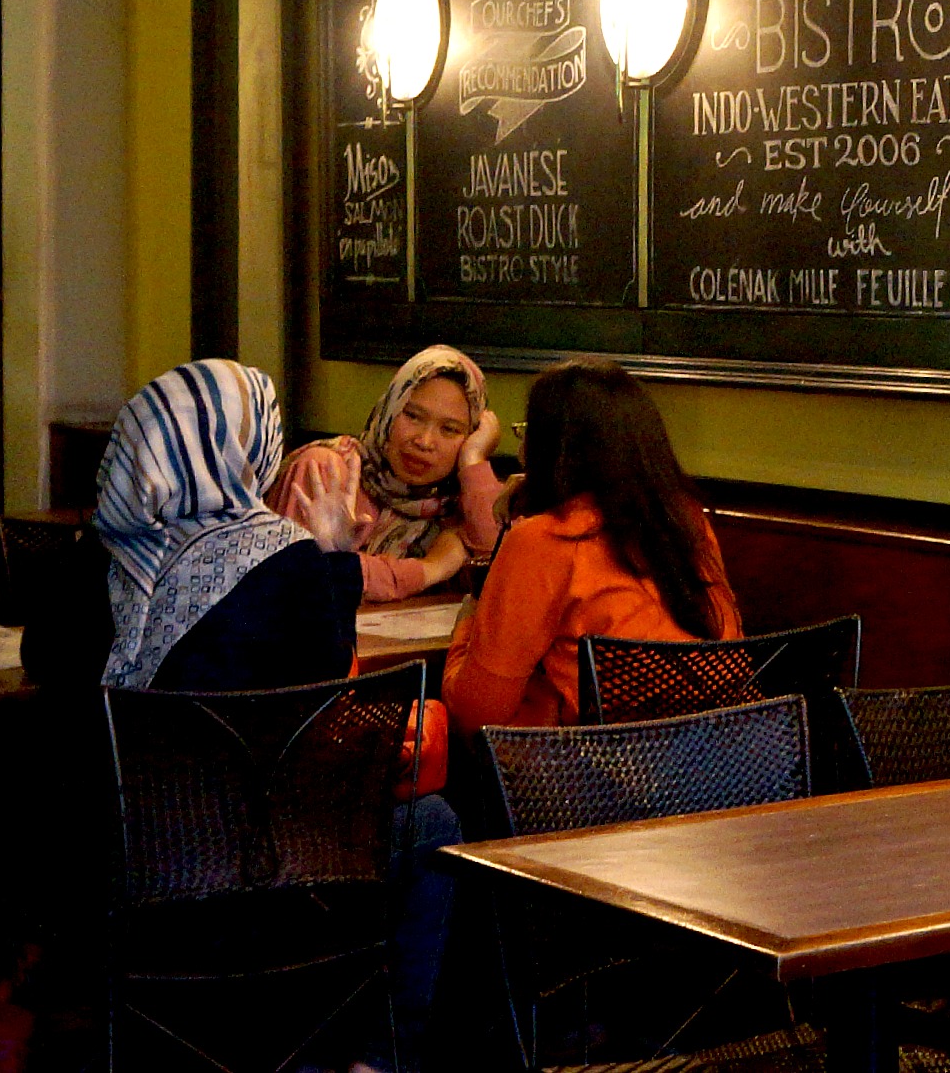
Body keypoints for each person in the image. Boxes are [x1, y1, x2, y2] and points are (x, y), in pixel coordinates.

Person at [92, 359, 454, 1073]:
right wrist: (333, 554)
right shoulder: (284, 565)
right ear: (253, 447)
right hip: (253, 859)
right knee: (433, 822)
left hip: (122, 853)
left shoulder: (101, 550)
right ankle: (377, 1055)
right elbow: (326, 701)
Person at [440, 359, 741, 739]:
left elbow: (477, 711)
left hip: (612, 768)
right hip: (733, 757)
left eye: (529, 434)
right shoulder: (686, 522)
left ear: (553, 449)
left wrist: (467, 623)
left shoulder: (544, 541)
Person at [267, 344, 506, 602]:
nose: (424, 441)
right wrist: (431, 568)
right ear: (389, 410)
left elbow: (501, 575)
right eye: (413, 416)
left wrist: (473, 460)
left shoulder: (460, 500)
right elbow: (302, 588)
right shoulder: (327, 470)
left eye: (449, 429)